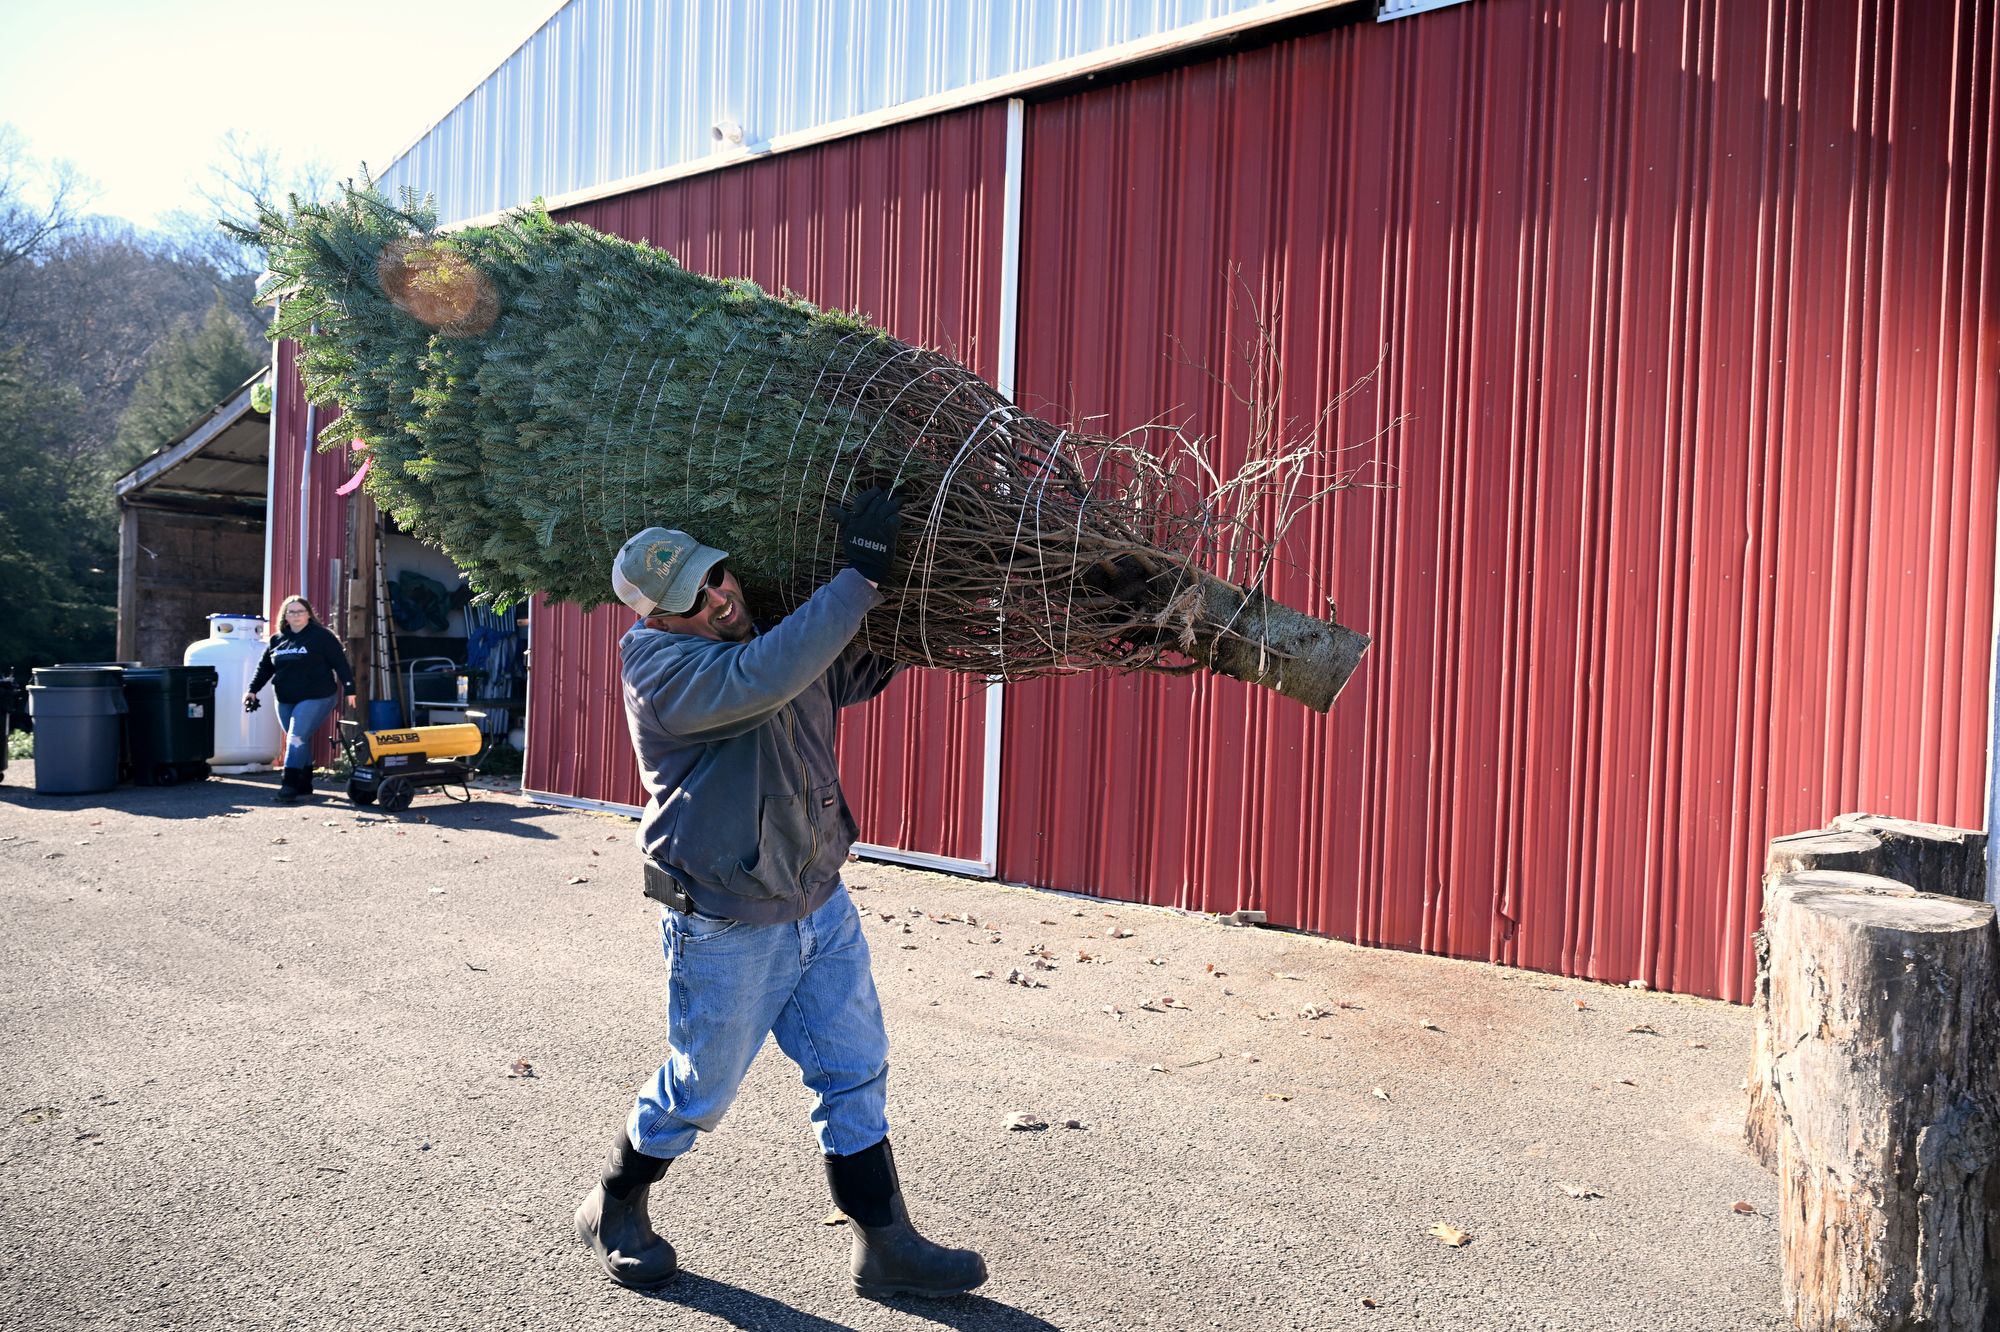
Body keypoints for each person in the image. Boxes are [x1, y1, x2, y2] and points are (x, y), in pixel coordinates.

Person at [575, 489, 987, 1300]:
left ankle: (885, 1243)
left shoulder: (763, 639)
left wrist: (923, 605)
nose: (719, 595)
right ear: (656, 617)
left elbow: (837, 670)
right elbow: (763, 678)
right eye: (693, 596)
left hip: (818, 900)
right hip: (727, 921)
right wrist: (857, 580)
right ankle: (613, 1206)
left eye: (716, 574)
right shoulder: (660, 672)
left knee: (855, 1068)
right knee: (699, 1089)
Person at [245, 595, 356, 805]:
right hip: (285, 698)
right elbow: (264, 668)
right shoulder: (277, 639)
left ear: (308, 614)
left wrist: (350, 689)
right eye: (291, 612)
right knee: (299, 738)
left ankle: (288, 785)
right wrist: (252, 690)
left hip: (317, 696)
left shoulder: (322, 636)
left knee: (295, 738)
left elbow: (340, 663)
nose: (296, 615)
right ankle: (304, 786)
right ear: (285, 616)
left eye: (300, 611)